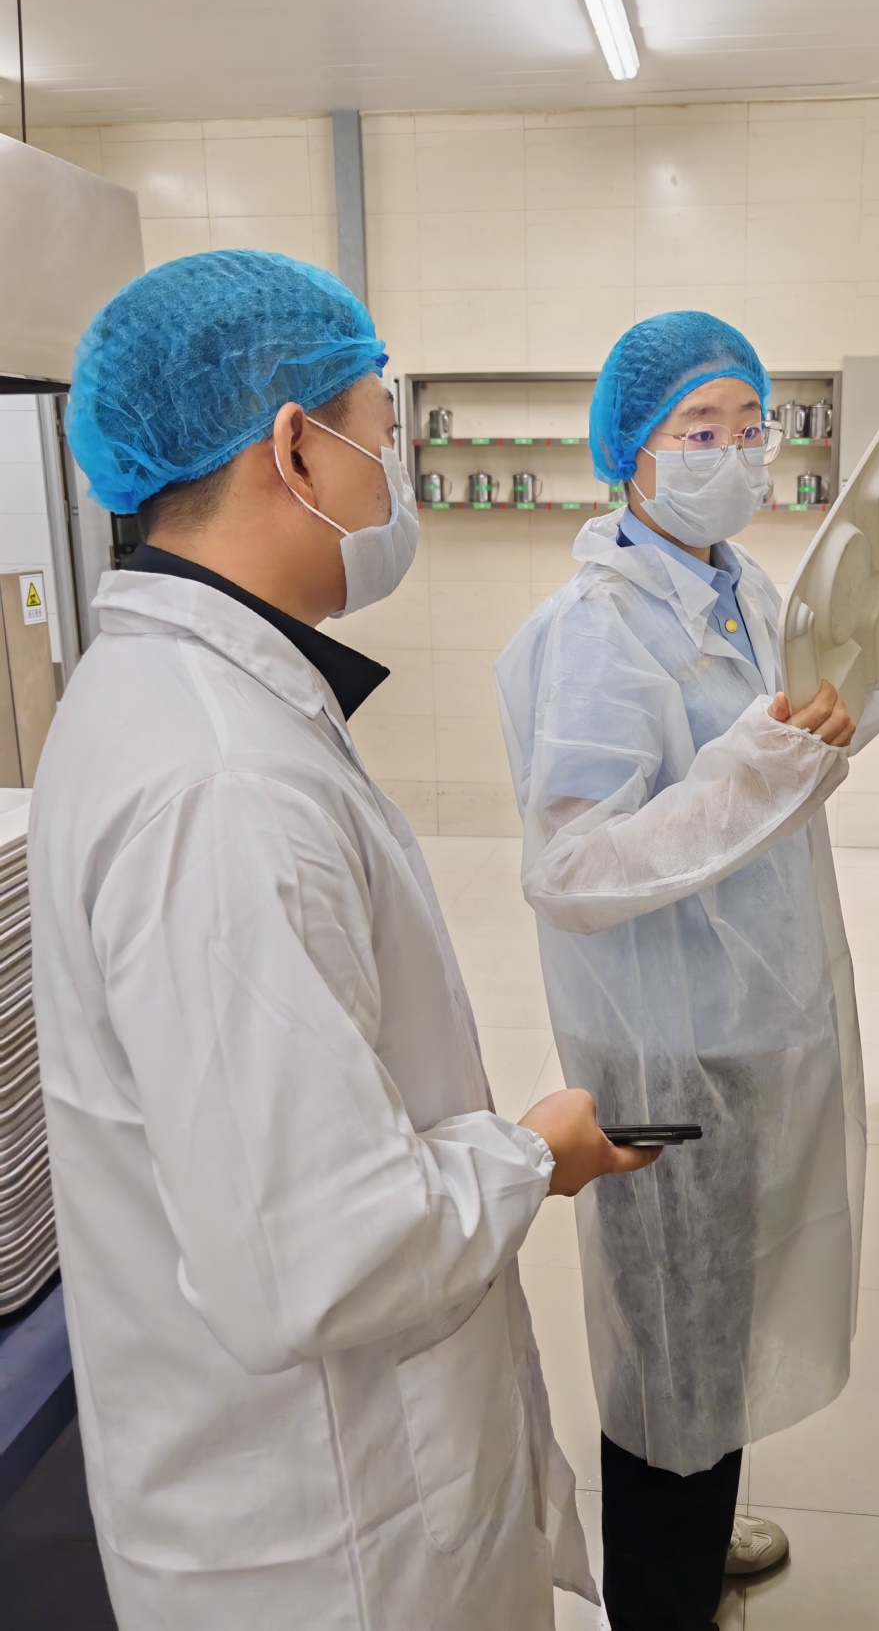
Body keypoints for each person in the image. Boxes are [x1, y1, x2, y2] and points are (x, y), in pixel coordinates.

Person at [29, 249, 659, 1631]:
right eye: (384, 431)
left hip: (307, 1488)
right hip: (328, 1543)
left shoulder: (189, 701)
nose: (397, 475)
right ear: (294, 450)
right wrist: (533, 1154)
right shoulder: (221, 782)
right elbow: (315, 1253)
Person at [495, 311, 879, 1631]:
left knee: (720, 1320)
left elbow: (805, 741)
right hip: (668, 1037)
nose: (737, 452)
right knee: (670, 1345)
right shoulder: (597, 628)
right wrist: (751, 768)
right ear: (629, 452)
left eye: (753, 426)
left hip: (751, 1011)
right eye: (701, 429)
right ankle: (661, 1597)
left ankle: (698, 1532)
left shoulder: (741, 587)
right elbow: (572, 869)